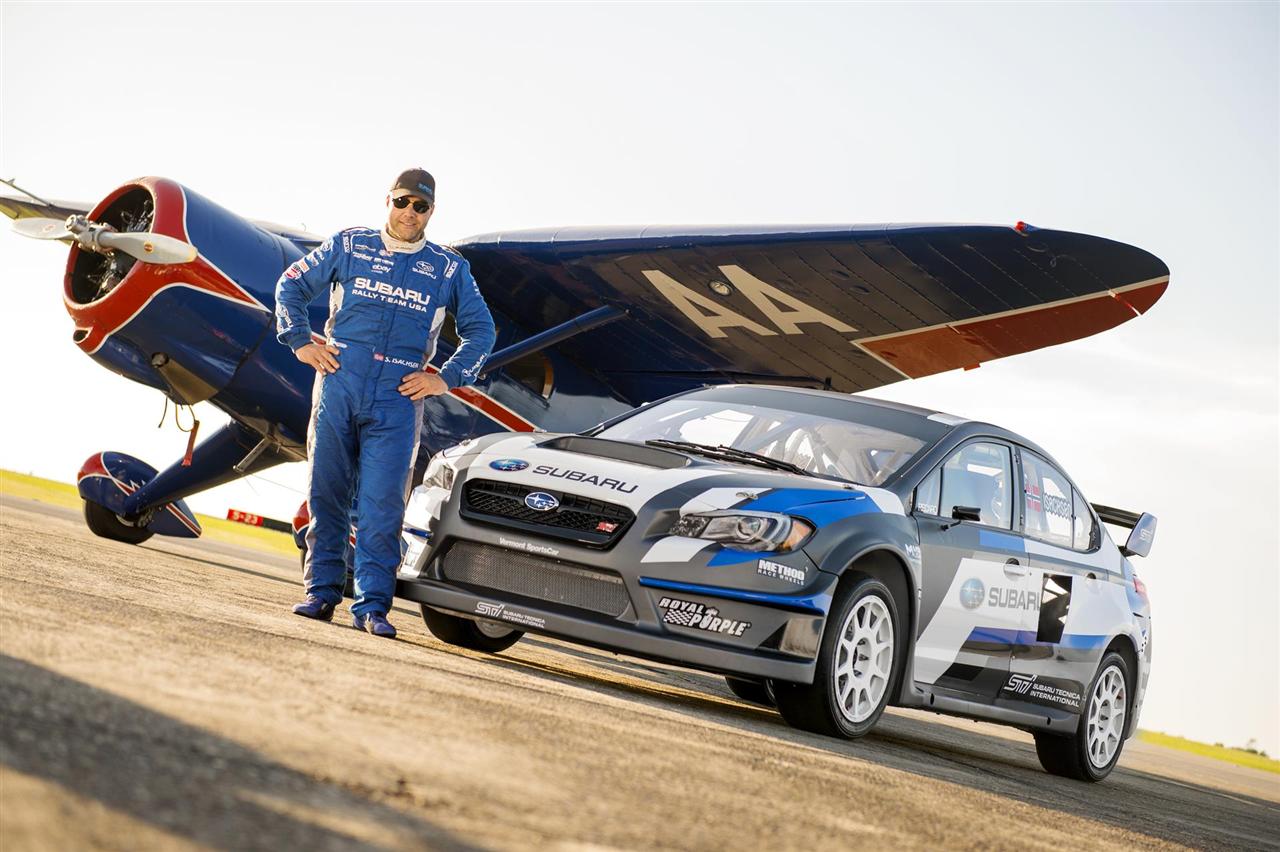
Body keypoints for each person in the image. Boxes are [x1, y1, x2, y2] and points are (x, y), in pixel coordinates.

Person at [274, 168, 495, 638]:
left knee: (381, 506)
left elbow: (483, 331)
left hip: (398, 398)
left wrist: (445, 380)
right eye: (402, 202)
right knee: (325, 493)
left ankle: (372, 606)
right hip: (338, 383)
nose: (409, 213)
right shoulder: (349, 245)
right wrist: (299, 342)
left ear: (431, 212)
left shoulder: (448, 267)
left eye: (420, 206)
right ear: (388, 201)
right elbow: (290, 286)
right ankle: (321, 593)